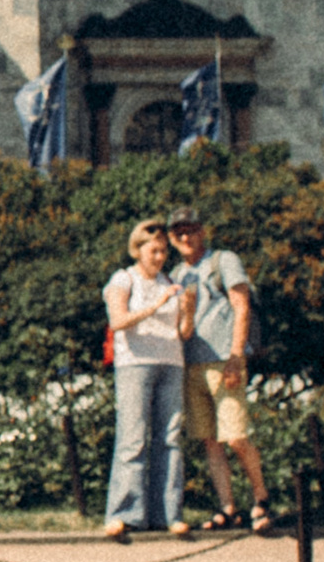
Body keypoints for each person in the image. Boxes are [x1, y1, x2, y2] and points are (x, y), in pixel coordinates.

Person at [167, 205, 270, 531]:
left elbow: (242, 307)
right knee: (210, 440)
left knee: (237, 435)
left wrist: (237, 355)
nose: (186, 236)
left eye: (191, 229)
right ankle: (228, 507)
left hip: (224, 361)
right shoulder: (176, 275)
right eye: (179, 232)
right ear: (172, 237)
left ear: (202, 231)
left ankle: (261, 499)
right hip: (192, 364)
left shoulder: (223, 261)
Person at [101, 215, 193, 541]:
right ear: (138, 250)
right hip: (135, 364)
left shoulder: (169, 282)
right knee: (133, 438)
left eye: (163, 251)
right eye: (153, 251)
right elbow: (118, 321)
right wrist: (156, 305)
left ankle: (168, 514)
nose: (159, 257)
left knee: (169, 439)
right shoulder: (123, 279)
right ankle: (124, 514)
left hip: (171, 362)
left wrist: (188, 309)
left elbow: (182, 333)